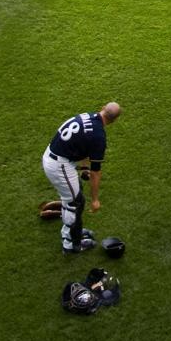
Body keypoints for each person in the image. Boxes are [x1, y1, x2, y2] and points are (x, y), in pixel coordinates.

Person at [42, 102, 122, 254]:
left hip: (54, 156)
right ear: (114, 120)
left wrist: (84, 168)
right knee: (75, 203)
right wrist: (95, 200)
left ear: (103, 108)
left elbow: (84, 147)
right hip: (59, 165)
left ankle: (75, 231)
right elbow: (96, 172)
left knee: (74, 197)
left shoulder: (87, 116)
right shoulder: (99, 137)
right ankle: (70, 243)